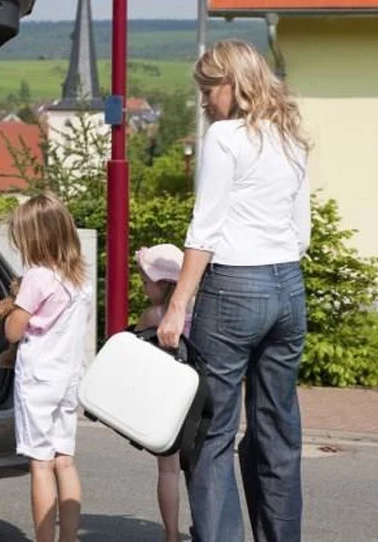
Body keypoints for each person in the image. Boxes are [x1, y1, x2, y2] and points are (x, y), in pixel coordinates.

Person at [157, 39, 311, 542]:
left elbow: (205, 230)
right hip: (288, 287)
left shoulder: (224, 138)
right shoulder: (291, 138)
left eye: (208, 89)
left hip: (234, 289)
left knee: (213, 433)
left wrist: (177, 306)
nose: (204, 101)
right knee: (278, 433)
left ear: (234, 84)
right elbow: (302, 233)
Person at [4, 193, 92, 542]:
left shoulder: (37, 277)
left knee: (40, 464)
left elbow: (14, 328)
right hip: (68, 378)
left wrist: (12, 307)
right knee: (65, 461)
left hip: (39, 379)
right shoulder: (77, 277)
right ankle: (68, 538)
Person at [132, 243, 192, 542]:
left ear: (165, 283)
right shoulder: (200, 312)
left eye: (146, 282)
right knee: (203, 468)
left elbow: (132, 349)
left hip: (167, 402)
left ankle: (171, 535)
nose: (143, 288)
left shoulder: (153, 316)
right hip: (199, 400)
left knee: (169, 472)